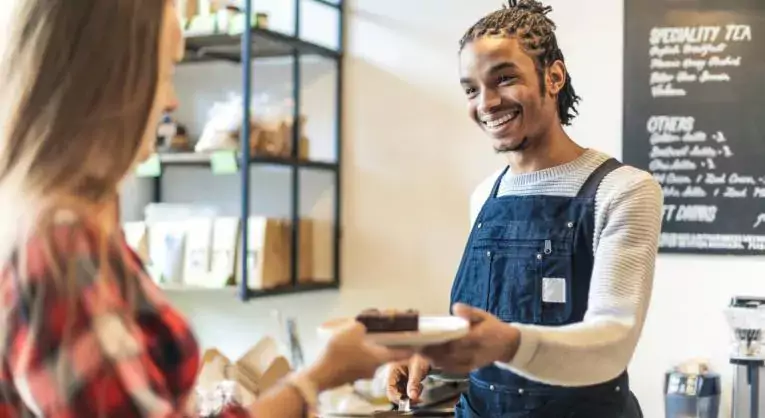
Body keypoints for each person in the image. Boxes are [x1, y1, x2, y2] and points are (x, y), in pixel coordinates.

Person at [0, 1, 411, 417]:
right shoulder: (62, 242)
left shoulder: (75, 227)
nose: (172, 101)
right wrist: (319, 375)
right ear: (113, 79)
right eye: (163, 74)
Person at [387, 1, 662, 417]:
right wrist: (431, 352)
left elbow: (612, 342)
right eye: (471, 89)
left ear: (553, 77)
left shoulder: (623, 190)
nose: (487, 103)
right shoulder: (485, 196)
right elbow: (482, 326)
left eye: (504, 79)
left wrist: (509, 343)